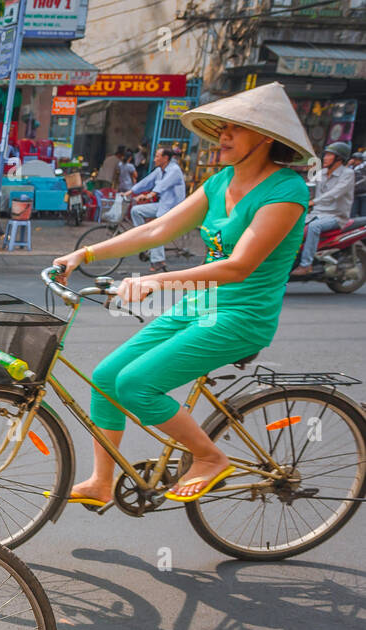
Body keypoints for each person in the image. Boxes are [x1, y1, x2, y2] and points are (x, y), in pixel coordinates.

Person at [50, 81, 312, 505]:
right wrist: (86, 252)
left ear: (265, 137)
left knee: (136, 384)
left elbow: (239, 265)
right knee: (104, 379)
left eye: (236, 129)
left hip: (242, 317)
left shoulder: (286, 191)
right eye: (222, 128)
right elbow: (157, 228)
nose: (223, 137)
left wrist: (155, 281)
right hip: (199, 306)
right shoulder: (219, 183)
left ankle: (209, 457)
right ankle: (101, 482)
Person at [292, 141, 354, 275]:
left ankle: (306, 264)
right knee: (292, 225)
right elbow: (308, 184)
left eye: (329, 155)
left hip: (336, 217)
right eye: (325, 155)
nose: (325, 158)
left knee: (314, 227)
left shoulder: (348, 174)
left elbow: (335, 193)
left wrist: (314, 202)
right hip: (317, 213)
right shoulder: (322, 172)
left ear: (339, 158)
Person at [125, 146, 187, 272]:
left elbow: (163, 185)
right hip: (162, 205)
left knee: (156, 229)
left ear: (165, 158)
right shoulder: (159, 170)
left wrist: (149, 195)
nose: (154, 159)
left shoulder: (174, 170)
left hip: (173, 208)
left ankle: (158, 260)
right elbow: (147, 181)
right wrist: (130, 192)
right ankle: (144, 237)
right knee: (135, 211)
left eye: (157, 156)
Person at [351, 151, 366, 218]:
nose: (356, 161)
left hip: (364, 195)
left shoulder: (363, 167)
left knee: (364, 215)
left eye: (358, 160)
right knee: (352, 215)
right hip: (354, 195)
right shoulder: (350, 169)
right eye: (354, 159)